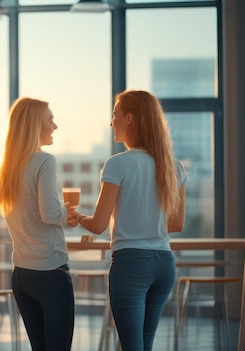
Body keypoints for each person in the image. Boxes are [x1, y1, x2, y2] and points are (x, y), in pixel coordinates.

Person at [68, 90, 188, 351]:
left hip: (130, 264)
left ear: (130, 118)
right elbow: (177, 224)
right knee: (145, 345)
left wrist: (76, 215)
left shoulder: (117, 164)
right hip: (164, 264)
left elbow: (98, 225)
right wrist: (144, 218)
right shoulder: (173, 166)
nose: (111, 122)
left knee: (132, 346)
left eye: (115, 114)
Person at [0, 97, 75, 351]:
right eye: (50, 120)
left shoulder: (8, 166)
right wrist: (65, 213)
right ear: (34, 125)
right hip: (50, 272)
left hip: (22, 275)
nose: (55, 126)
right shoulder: (45, 161)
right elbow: (49, 214)